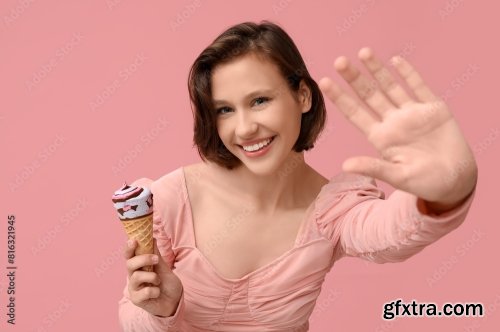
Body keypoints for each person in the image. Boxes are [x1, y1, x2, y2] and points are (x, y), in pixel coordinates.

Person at [118, 21, 477, 331]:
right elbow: (132, 315)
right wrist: (161, 310)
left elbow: (391, 232)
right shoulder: (170, 199)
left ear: (302, 95)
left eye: (260, 100)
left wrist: (448, 188)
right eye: (225, 109)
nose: (244, 128)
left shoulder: (333, 209)